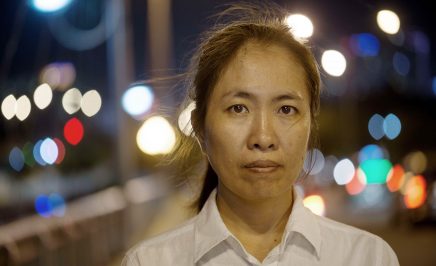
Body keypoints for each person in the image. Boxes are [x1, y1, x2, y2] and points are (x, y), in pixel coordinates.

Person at [123, 2, 399, 265]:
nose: (263, 138)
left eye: (286, 110)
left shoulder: (368, 257)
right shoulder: (150, 261)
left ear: (310, 123)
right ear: (199, 127)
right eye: (238, 108)